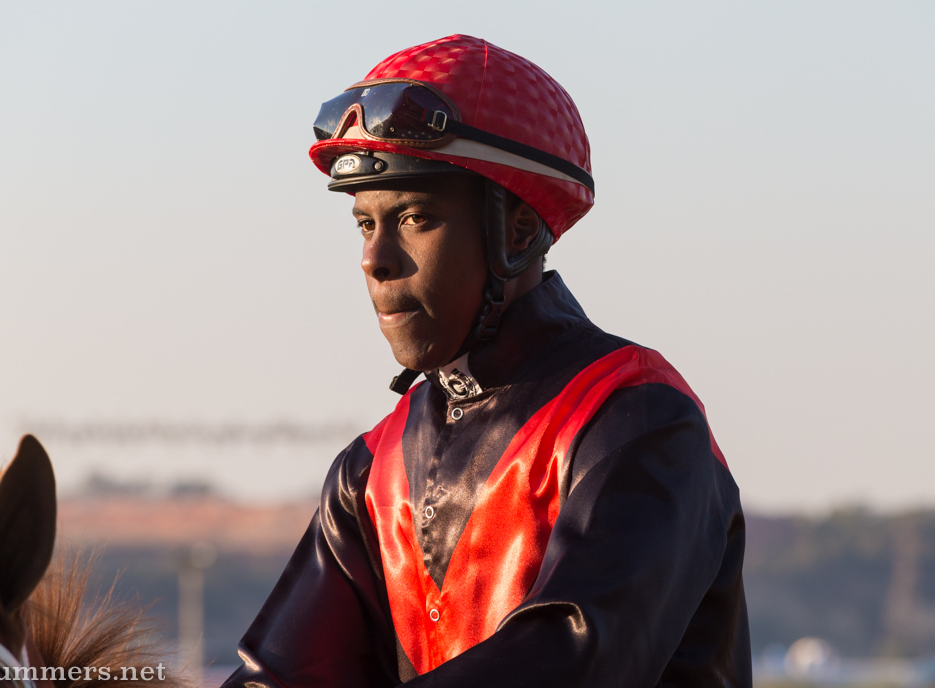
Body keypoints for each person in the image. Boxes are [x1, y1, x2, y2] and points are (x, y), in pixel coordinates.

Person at [223, 34, 750, 687]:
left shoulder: (639, 420)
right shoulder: (367, 473)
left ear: (519, 231)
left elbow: (569, 664)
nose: (374, 259)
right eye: (365, 223)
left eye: (414, 217)